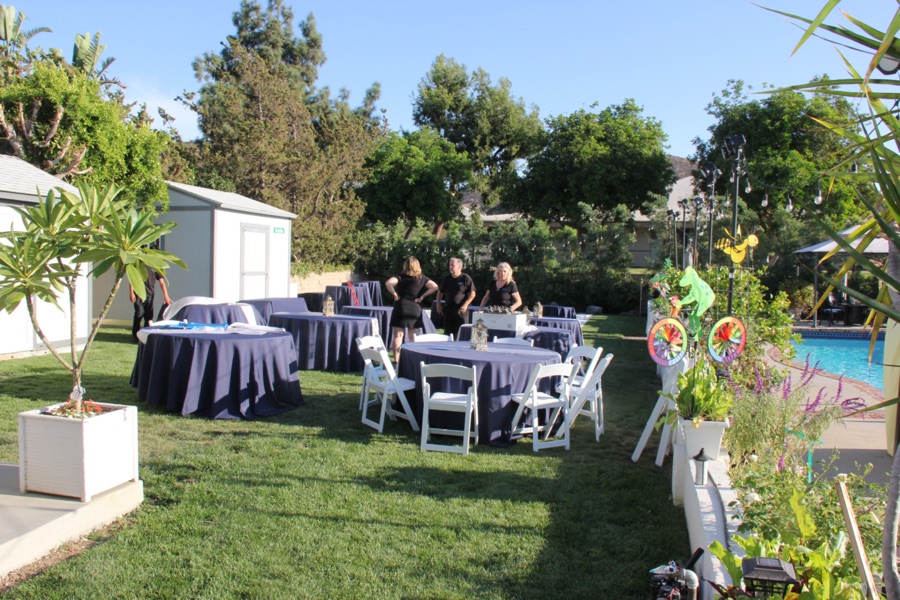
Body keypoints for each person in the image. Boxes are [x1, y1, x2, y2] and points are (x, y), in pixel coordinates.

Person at [385, 257, 439, 361]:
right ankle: (411, 359)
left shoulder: (400, 276)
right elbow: (435, 287)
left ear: (406, 265)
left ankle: (396, 360)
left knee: (398, 336)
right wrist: (422, 296)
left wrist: (395, 294)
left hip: (401, 307)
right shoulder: (422, 278)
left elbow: (388, 283)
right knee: (413, 337)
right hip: (415, 308)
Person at [435, 257, 477, 338]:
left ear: (459, 267)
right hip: (448, 310)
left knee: (461, 333)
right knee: (447, 333)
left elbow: (473, 293)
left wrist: (465, 305)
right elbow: (439, 292)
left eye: (453, 265)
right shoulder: (447, 279)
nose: (450, 267)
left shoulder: (465, 278)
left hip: (461, 311)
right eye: (450, 265)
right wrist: (438, 304)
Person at [130, 265, 172, 342]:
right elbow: (132, 279)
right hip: (138, 293)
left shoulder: (155, 266)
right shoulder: (139, 265)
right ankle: (135, 336)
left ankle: (146, 335)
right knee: (139, 314)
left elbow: (162, 282)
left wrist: (166, 296)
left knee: (148, 316)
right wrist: (131, 292)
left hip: (150, 294)